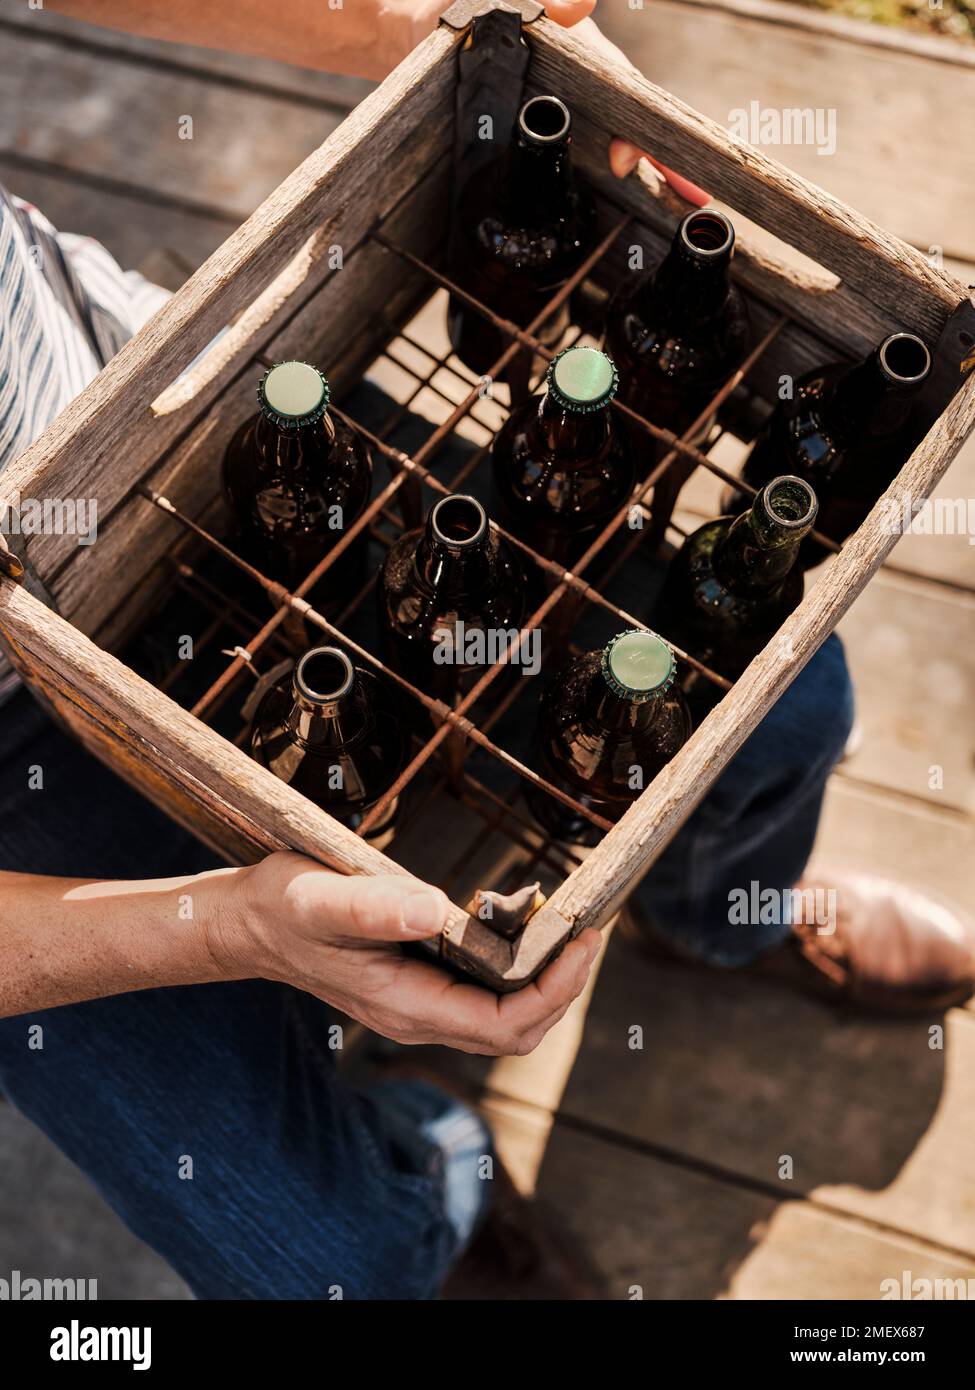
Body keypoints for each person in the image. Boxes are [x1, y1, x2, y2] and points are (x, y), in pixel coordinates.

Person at [0, 0, 972, 1302]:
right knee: (320, 1260)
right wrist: (229, 924)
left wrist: (447, 29)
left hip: (164, 425)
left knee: (787, 706)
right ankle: (435, 1177)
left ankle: (716, 917)